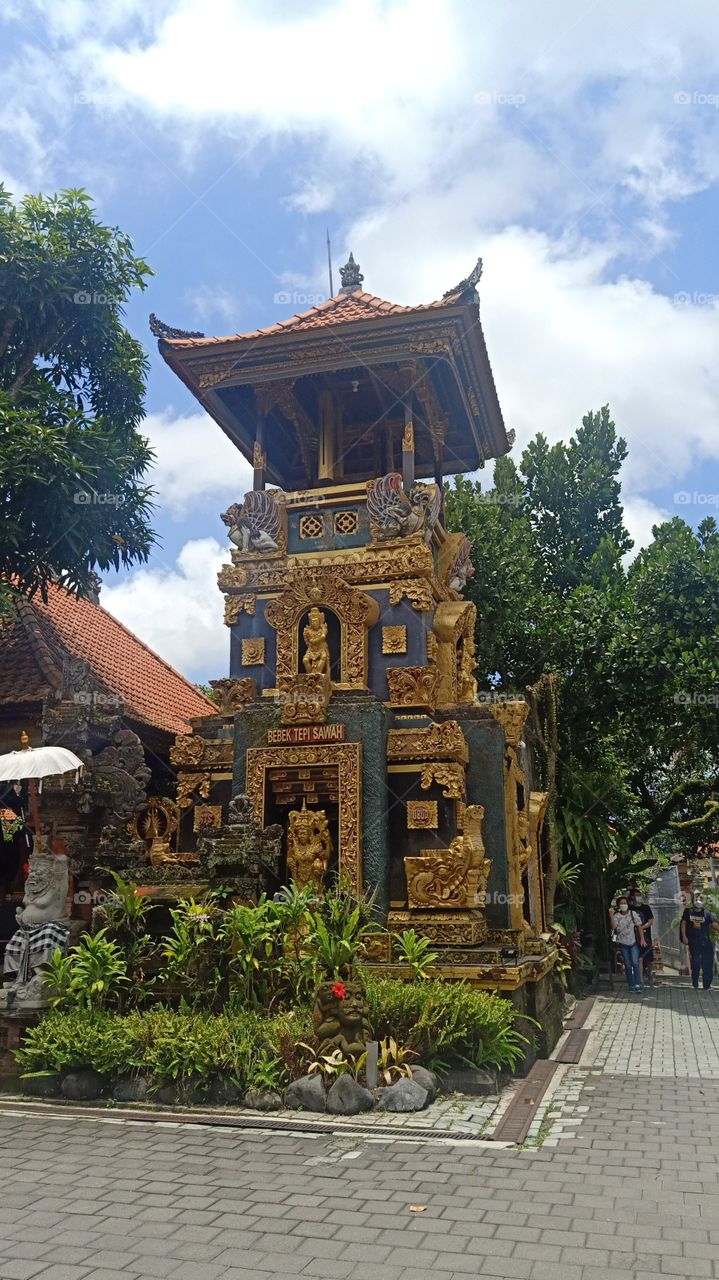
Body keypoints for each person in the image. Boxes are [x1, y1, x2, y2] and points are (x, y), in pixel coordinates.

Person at [609, 895, 646, 992]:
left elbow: (639, 926)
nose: (623, 905)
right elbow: (613, 927)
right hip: (623, 943)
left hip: (633, 942)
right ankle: (631, 985)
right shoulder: (617, 916)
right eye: (621, 903)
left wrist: (642, 939)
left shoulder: (633, 914)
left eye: (625, 903)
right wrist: (611, 915)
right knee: (628, 964)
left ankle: (637, 984)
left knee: (635, 962)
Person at [680, 896, 716, 991]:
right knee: (695, 962)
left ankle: (706, 985)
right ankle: (695, 981)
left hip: (705, 942)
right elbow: (683, 923)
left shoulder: (707, 913)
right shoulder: (688, 912)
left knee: (707, 963)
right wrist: (684, 936)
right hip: (693, 942)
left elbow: (714, 924)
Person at [631, 890, 655, 986]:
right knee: (639, 958)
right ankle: (640, 979)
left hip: (646, 936)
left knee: (649, 958)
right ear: (632, 897)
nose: (638, 897)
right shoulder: (631, 909)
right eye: (636, 895)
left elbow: (651, 921)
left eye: (639, 895)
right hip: (634, 936)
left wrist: (643, 926)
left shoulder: (646, 908)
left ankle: (649, 974)